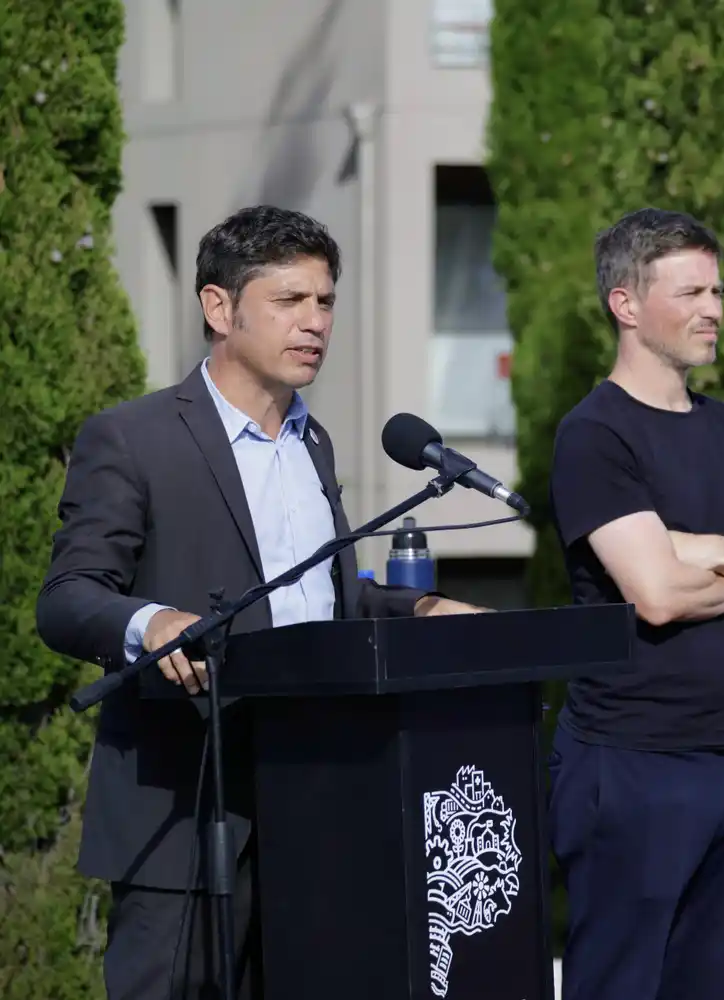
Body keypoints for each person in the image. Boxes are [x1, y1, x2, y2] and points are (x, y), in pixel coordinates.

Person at [35, 205, 484, 1000]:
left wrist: (417, 612)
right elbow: (68, 598)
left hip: (310, 802)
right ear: (219, 307)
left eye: (326, 302)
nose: (315, 322)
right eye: (289, 301)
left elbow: (314, 595)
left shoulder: (314, 442)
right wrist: (151, 622)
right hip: (181, 808)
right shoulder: (134, 438)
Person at [545, 206, 724, 1000]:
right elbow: (659, 595)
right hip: (632, 767)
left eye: (717, 291)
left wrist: (703, 546)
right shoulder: (595, 436)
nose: (714, 310)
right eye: (691, 292)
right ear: (626, 305)